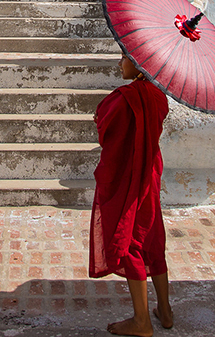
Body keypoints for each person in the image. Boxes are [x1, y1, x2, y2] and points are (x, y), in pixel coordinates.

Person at [90, 54, 173, 337]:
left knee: (132, 242)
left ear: (139, 66)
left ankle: (141, 321)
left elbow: (107, 131)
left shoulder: (126, 97)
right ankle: (165, 310)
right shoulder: (158, 95)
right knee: (153, 238)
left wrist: (99, 119)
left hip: (129, 173)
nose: (119, 63)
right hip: (150, 171)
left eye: (124, 58)